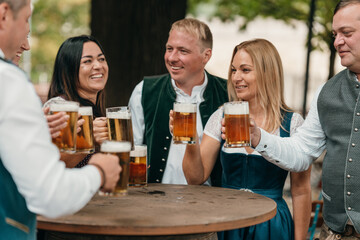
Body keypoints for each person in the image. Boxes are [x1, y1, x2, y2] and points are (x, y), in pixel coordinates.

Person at [0, 1, 121, 239]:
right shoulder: (11, 83)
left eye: (101, 59)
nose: (27, 44)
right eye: (26, 20)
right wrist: (100, 170)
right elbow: (49, 192)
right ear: (4, 14)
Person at [175, 39, 311, 240]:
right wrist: (190, 139)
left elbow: (300, 191)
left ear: (268, 73)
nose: (236, 77)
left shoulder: (292, 123)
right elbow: (195, 178)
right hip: (228, 221)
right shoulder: (221, 116)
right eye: (233, 70)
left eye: (245, 70)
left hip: (271, 224)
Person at [249, 1, 360, 239]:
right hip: (335, 232)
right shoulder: (326, 92)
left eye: (346, 33)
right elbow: (301, 153)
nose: (337, 42)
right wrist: (258, 137)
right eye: (335, 34)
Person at [127, 18, 228, 185]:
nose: (172, 58)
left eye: (183, 51)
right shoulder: (144, 90)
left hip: (212, 204)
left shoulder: (228, 93)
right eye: (169, 49)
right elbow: (130, 149)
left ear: (206, 56)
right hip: (155, 201)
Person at [44, 35, 109, 168]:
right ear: (68, 69)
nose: (98, 66)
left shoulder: (94, 109)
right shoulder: (58, 108)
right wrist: (88, 139)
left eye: (101, 59)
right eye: (87, 61)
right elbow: (52, 167)